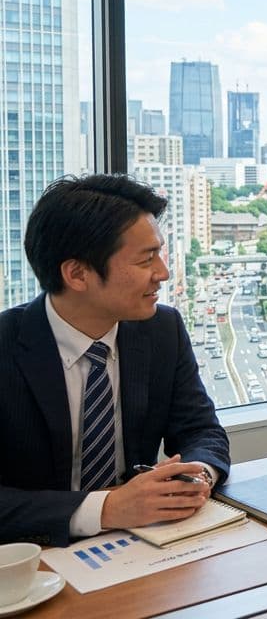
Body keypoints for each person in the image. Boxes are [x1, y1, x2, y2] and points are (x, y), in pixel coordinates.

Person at [0, 175, 230, 546]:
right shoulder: (7, 346)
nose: (163, 273)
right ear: (77, 273)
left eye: (160, 253)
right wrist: (105, 508)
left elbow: (201, 430)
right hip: (34, 555)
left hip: (140, 543)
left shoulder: (161, 329)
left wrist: (196, 476)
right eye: (146, 259)